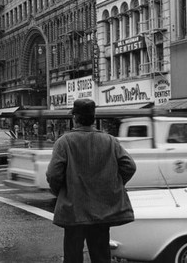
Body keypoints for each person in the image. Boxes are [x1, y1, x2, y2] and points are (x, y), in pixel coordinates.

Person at [46, 98, 136, 263]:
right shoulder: (110, 141)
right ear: (93, 119)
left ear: (75, 118)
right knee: (101, 255)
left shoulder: (64, 142)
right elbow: (129, 166)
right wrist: (114, 184)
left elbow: (53, 175)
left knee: (73, 256)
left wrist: (61, 192)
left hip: (74, 211)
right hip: (102, 211)